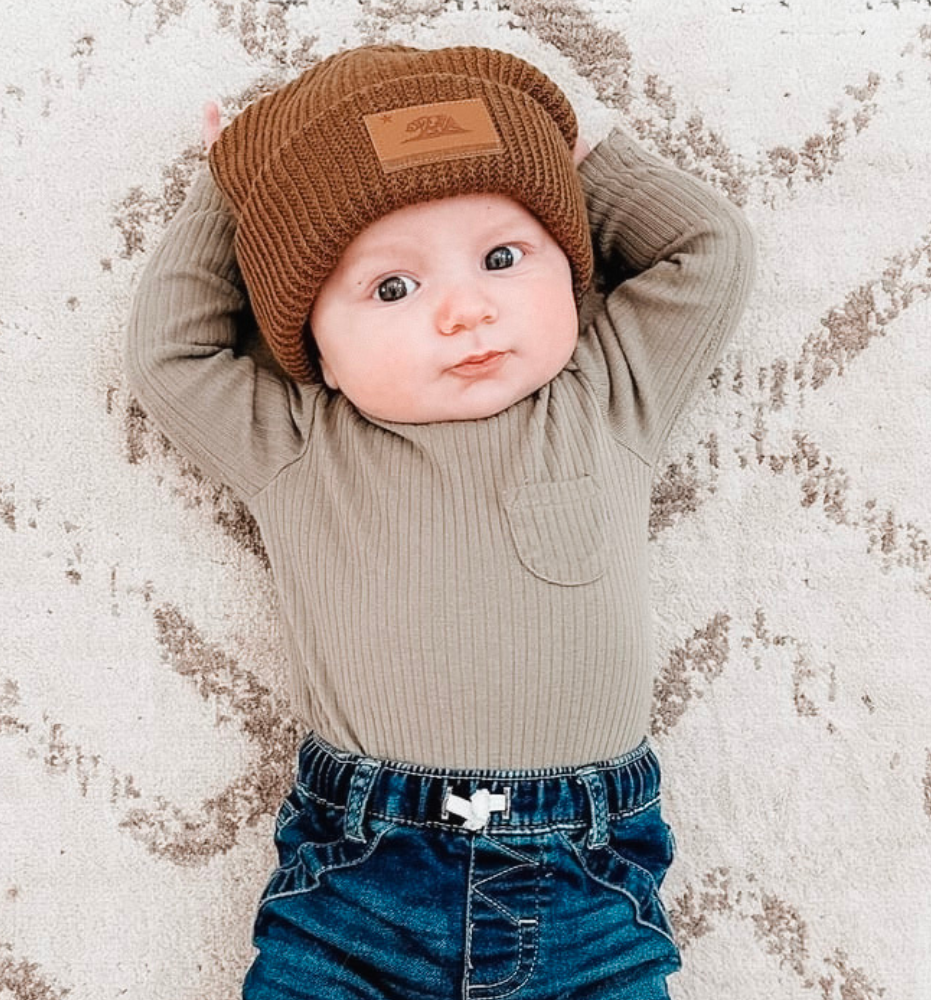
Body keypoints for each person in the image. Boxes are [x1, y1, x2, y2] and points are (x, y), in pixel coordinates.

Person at [125, 43, 755, 1000]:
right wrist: (230, 193)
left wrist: (580, 159)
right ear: (315, 348)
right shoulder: (296, 443)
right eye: (393, 288)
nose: (466, 310)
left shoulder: (608, 398)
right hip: (361, 881)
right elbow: (172, 356)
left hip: (587, 883)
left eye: (503, 258)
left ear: (571, 277)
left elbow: (708, 251)